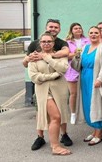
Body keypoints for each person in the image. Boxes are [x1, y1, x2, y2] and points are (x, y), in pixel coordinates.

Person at [23, 18, 73, 151]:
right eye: (51, 27)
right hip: (43, 89)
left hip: (59, 88)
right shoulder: (34, 49)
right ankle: (45, 140)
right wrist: (52, 75)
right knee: (49, 115)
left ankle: (63, 135)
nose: (53, 29)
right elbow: (33, 75)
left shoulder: (61, 46)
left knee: (60, 113)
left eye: (56, 27)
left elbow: (64, 66)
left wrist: (48, 57)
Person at [72, 26, 102, 146]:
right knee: (88, 105)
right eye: (91, 33)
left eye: (96, 33)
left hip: (95, 80)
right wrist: (77, 56)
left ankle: (99, 133)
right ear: (88, 35)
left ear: (100, 34)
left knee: (97, 105)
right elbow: (78, 64)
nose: (93, 35)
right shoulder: (85, 47)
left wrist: (100, 79)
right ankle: (94, 132)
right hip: (85, 79)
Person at [65, 23, 90, 125]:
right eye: (75, 28)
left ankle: (86, 113)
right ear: (71, 30)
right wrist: (75, 53)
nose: (78, 30)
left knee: (86, 91)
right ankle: (73, 113)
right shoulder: (67, 42)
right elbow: (65, 56)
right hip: (72, 69)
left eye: (80, 28)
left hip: (84, 68)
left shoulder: (87, 40)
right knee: (73, 93)